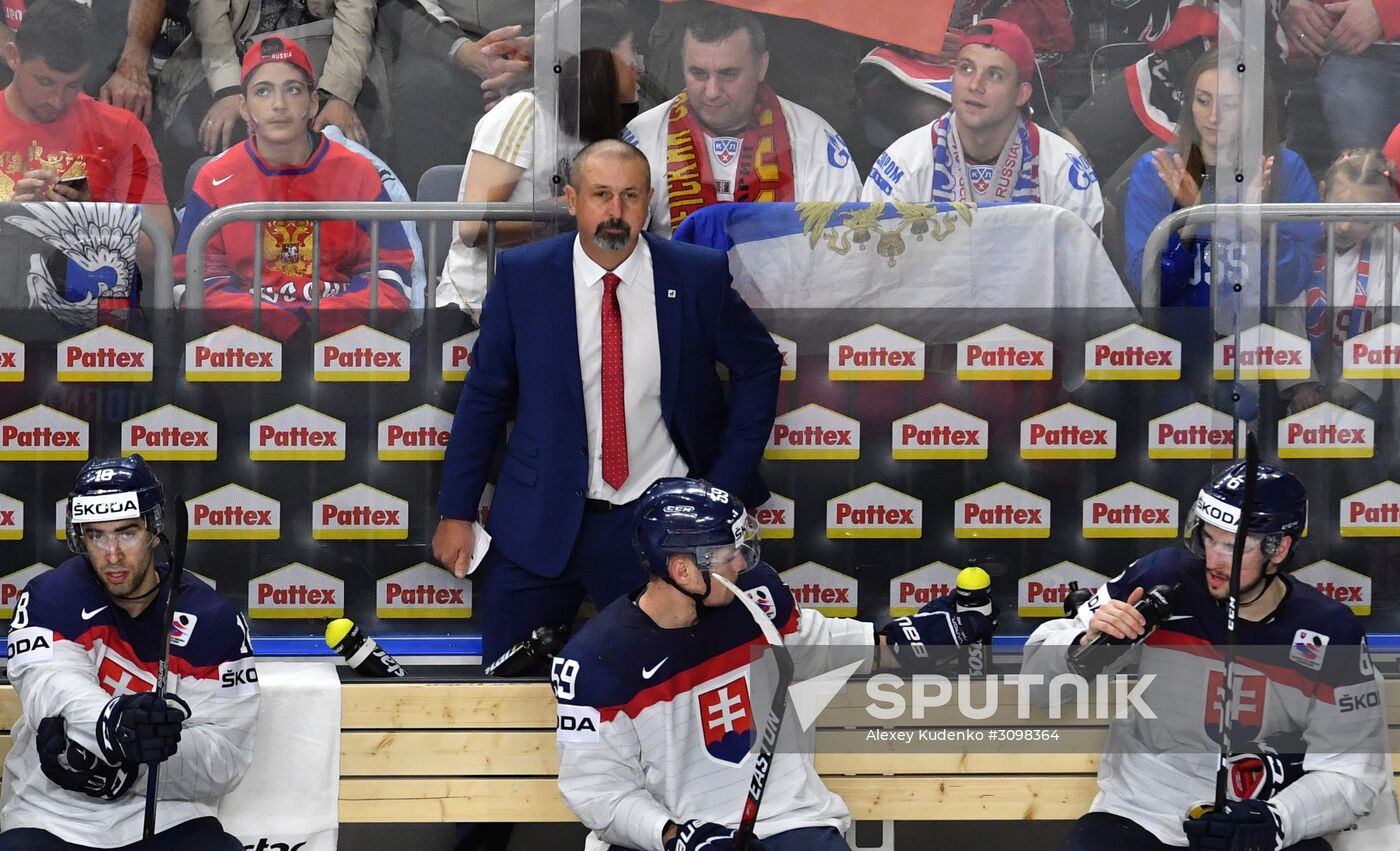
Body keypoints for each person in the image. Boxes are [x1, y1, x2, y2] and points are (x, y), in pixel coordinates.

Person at [432, 139, 782, 669]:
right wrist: (456, 510)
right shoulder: (525, 277)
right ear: (572, 200)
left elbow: (759, 365)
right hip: (538, 523)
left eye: (629, 196)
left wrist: (720, 488)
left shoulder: (695, 276)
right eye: (600, 194)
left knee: (672, 697)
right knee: (507, 694)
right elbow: (485, 396)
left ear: (648, 202)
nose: (615, 212)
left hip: (662, 528)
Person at [552, 478, 999, 851]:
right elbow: (599, 793)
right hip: (674, 841)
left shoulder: (755, 599)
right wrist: (674, 836)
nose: (743, 562)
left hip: (788, 823)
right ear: (685, 572)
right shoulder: (596, 662)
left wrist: (924, 636)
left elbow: (826, 646)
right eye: (730, 555)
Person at [1023, 460, 1396, 850]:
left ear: (1280, 547)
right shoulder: (1160, 578)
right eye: (1208, 537)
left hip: (1263, 822)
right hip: (1141, 815)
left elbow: (1353, 774)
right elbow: (1037, 687)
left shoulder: (1330, 630)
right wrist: (1081, 649)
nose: (1214, 560)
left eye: (1233, 546)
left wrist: (1276, 821)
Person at [0, 455, 259, 849]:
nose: (113, 554)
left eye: (127, 532)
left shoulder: (213, 620)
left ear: (155, 530)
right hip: (51, 812)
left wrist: (131, 767)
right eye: (96, 535)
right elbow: (52, 686)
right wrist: (113, 725)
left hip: (168, 812)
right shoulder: (49, 596)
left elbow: (225, 760)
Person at [173, 35, 415, 340]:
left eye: (293, 90)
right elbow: (191, 283)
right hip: (246, 348)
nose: (279, 104)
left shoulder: (358, 172)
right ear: (244, 108)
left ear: (313, 103)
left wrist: (324, 321)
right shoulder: (214, 178)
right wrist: (270, 322)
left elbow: (392, 276)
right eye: (263, 91)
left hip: (341, 343)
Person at [436, 0, 643, 317]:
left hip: (553, 305)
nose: (640, 66)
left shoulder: (609, 131)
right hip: (476, 308)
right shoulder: (524, 114)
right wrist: (565, 210)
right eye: (632, 54)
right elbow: (473, 227)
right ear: (601, 64)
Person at [0, 0, 174, 321]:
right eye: (45, 81)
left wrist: (92, 215)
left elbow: (158, 251)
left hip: (94, 331)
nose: (56, 100)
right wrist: (11, 215)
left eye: (73, 85)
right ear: (13, 56)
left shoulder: (122, 131)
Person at [622, 5, 861, 236]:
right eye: (699, 73)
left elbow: (841, 253)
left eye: (728, 73)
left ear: (761, 67)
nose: (712, 91)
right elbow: (622, 249)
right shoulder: (643, 137)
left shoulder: (816, 140)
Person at [860, 19, 1103, 231]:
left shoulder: (1064, 170)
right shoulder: (902, 164)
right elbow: (875, 264)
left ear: (1021, 94)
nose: (975, 85)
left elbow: (1083, 275)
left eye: (994, 74)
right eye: (966, 69)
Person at [1123, 48, 1320, 307]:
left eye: (1229, 105)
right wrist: (1185, 223)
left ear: (1254, 108)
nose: (1213, 117)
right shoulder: (1156, 170)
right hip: (1180, 335)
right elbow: (1148, 285)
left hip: (1261, 338)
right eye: (1203, 101)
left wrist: (1258, 230)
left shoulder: (1286, 169)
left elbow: (1290, 286)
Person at [155, 0, 386, 200]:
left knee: (355, 135)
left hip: (330, 64)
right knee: (213, 134)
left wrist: (339, 93)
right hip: (234, 59)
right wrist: (229, 89)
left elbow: (356, 14)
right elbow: (209, 17)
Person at [379, 0, 533, 192]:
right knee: (419, 86)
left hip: (541, 48)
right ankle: (431, 216)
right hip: (448, 47)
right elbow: (402, 5)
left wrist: (535, 57)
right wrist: (462, 51)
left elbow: (577, 14)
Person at [1291, 148, 1400, 419]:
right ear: (1322, 192)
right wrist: (1300, 384)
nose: (1345, 227)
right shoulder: (1301, 236)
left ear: (1382, 213)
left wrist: (1352, 386)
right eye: (1339, 209)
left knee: (1367, 424)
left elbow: (1393, 325)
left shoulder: (1391, 246)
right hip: (1300, 384)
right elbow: (1286, 311)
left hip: (1362, 387)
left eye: (1362, 218)